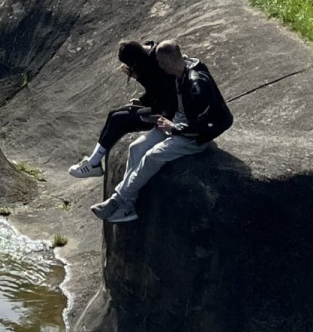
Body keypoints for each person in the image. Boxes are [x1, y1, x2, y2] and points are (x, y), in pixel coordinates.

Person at [90, 40, 233, 225]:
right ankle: (127, 207)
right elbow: (169, 99)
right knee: (136, 147)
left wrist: (175, 128)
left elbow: (207, 123)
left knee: (152, 156)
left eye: (159, 62)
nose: (158, 66)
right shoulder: (180, 70)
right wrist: (165, 119)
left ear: (166, 61)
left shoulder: (197, 83)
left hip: (192, 137)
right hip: (175, 124)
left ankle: (117, 200)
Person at [68, 40, 178, 180]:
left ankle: (93, 164)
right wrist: (142, 101)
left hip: (165, 113)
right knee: (113, 113)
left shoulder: (154, 62)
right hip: (160, 104)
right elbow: (158, 89)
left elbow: (160, 91)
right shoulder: (149, 50)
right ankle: (93, 162)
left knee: (119, 119)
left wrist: (138, 78)